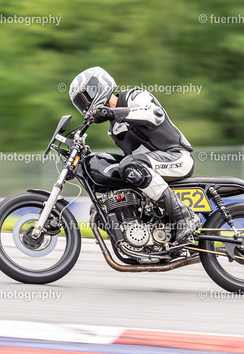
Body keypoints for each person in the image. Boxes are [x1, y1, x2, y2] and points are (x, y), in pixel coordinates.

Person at [69, 66, 201, 243]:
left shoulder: (134, 96)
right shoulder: (114, 129)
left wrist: (113, 112)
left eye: (84, 100)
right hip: (153, 166)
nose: (85, 107)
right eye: (80, 104)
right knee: (103, 203)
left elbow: (154, 115)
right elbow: (134, 156)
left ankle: (185, 216)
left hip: (177, 157)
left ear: (97, 88)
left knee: (129, 164)